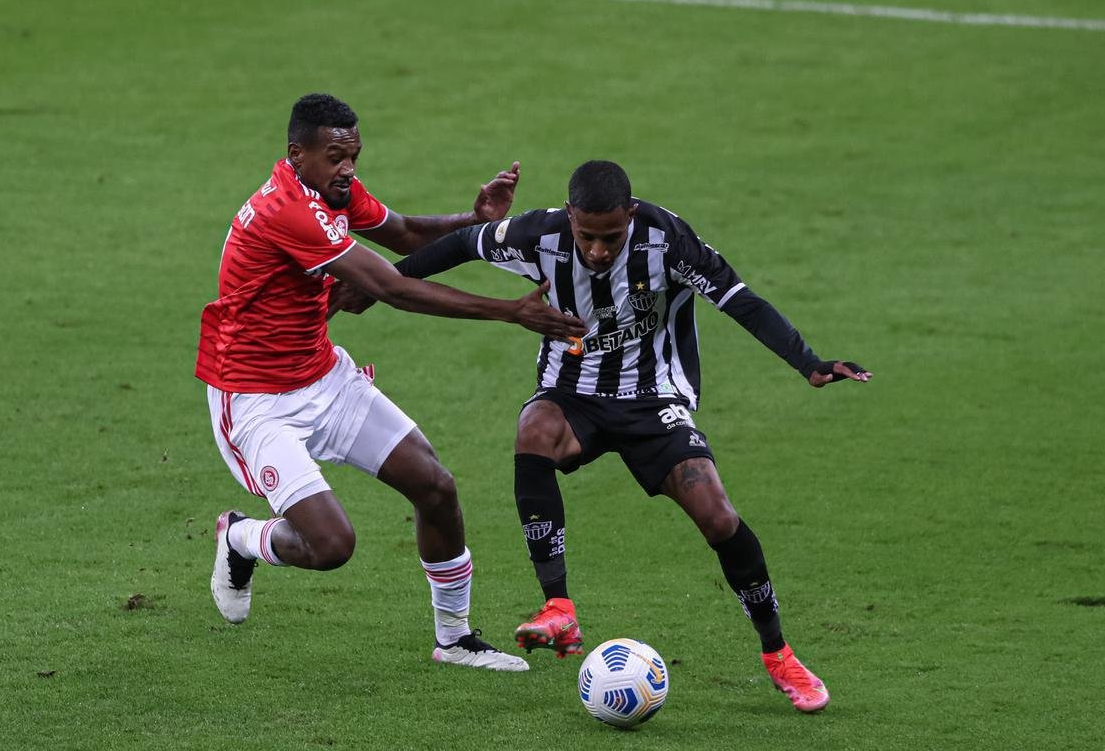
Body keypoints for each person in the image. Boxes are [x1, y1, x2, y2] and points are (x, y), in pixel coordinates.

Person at [342, 159, 871, 710]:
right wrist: (382, 285)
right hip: (572, 393)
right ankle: (558, 608)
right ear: (569, 216)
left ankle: (778, 654)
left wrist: (808, 363)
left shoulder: (668, 242)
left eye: (611, 237)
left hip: (655, 398)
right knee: (534, 430)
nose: (597, 250)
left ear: (632, 215)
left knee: (718, 516)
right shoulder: (538, 234)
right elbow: (465, 244)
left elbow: (741, 301)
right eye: (586, 236)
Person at [194, 93, 585, 672]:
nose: (348, 167)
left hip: (323, 376)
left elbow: (401, 234)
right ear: (296, 155)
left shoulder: (333, 192)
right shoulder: (287, 210)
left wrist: (475, 222)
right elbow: (391, 288)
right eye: (335, 156)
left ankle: (453, 639)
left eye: (353, 154)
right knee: (331, 547)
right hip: (256, 400)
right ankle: (242, 539)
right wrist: (508, 311)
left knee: (435, 487)